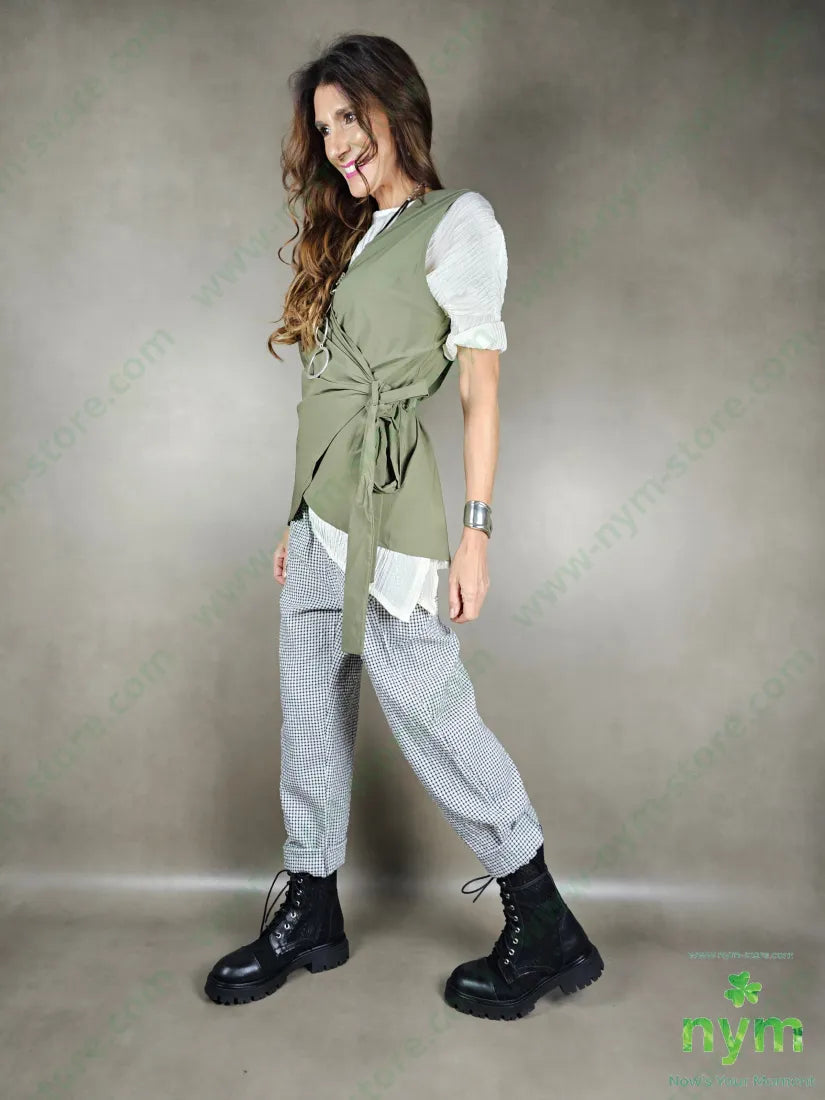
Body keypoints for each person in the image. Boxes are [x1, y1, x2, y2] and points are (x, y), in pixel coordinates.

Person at [204, 31, 604, 1021]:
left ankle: (544, 921)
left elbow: (479, 387)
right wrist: (294, 516)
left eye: (350, 116)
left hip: (388, 513)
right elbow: (328, 394)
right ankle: (312, 909)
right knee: (309, 712)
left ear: (397, 106)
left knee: (433, 715)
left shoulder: (459, 222)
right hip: (317, 515)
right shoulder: (354, 235)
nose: (337, 142)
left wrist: (477, 532)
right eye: (323, 127)